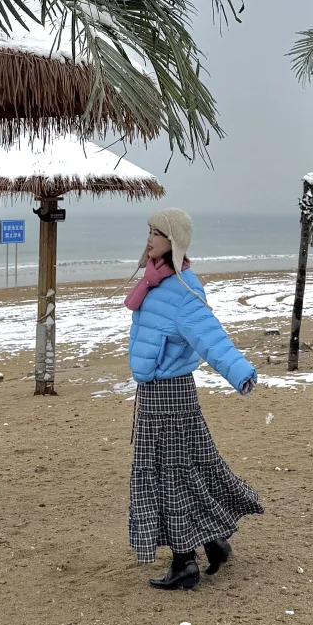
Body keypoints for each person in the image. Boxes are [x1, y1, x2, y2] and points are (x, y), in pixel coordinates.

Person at [125, 207, 263, 590]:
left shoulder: (184, 288)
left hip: (170, 395)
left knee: (171, 475)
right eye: (149, 231)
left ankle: (185, 562)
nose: (149, 238)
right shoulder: (154, 282)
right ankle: (213, 542)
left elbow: (211, 337)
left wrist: (240, 373)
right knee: (185, 469)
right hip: (154, 395)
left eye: (157, 232)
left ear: (175, 241)